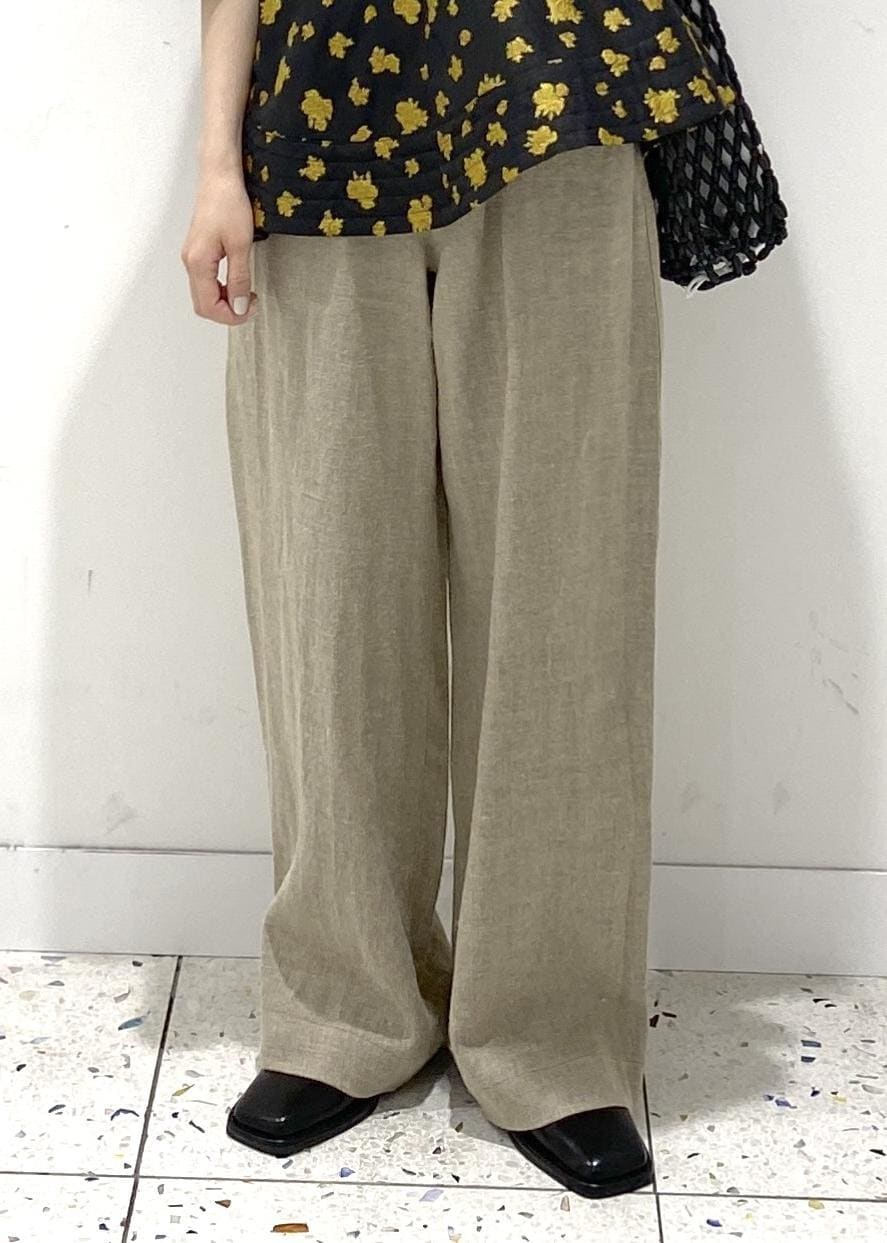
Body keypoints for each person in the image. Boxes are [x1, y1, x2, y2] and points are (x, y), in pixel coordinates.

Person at [182, 0, 740, 1200]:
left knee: (564, 587)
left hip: (560, 114)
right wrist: (217, 163)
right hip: (319, 110)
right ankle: (343, 1008)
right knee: (328, 588)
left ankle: (551, 1035)